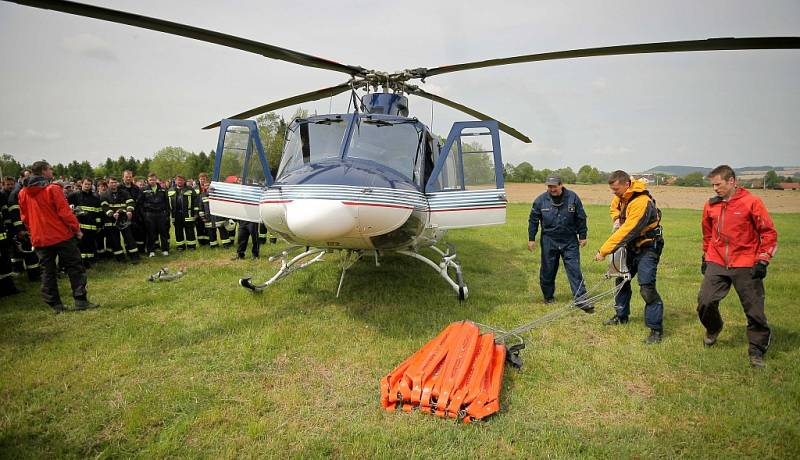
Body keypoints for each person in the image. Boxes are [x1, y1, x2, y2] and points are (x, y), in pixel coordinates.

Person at [697, 165, 778, 368]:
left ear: (732, 181)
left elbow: (768, 233)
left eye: (718, 184)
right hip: (716, 260)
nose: (715, 188)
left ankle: (756, 350)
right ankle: (714, 328)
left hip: (746, 262)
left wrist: (763, 259)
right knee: (705, 302)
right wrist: (705, 257)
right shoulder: (711, 205)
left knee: (754, 310)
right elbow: (707, 234)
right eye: (713, 185)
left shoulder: (751, 202)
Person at [594, 170, 664, 344]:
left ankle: (655, 330)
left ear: (627, 184)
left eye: (616, 189)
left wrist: (604, 250)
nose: (614, 193)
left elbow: (627, 231)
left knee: (646, 286)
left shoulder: (641, 202)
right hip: (631, 246)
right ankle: (621, 316)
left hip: (648, 245)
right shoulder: (622, 196)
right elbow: (614, 207)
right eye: (612, 190)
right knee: (621, 280)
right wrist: (616, 218)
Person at [18, 161, 98, 313]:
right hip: (60, 236)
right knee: (75, 266)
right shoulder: (52, 189)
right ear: (43, 171)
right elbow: (65, 212)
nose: (52, 171)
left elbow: (24, 217)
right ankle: (80, 300)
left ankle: (55, 305)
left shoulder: (22, 192)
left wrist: (33, 231)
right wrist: (77, 229)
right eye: (49, 169)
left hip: (39, 238)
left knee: (47, 272)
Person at [527, 174, 592, 311]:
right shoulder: (540, 200)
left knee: (574, 269)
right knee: (548, 270)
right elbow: (533, 220)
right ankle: (548, 297)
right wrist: (531, 238)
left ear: (561, 185)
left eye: (554, 186)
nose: (551, 189)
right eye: (549, 186)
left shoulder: (572, 198)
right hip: (549, 240)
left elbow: (581, 217)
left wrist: (583, 235)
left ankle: (581, 299)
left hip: (569, 240)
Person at [100, 176, 140, 262]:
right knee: (115, 241)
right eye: (112, 183)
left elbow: (130, 202)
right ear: (108, 184)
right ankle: (120, 258)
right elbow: (104, 207)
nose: (114, 184)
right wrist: (111, 213)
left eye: (115, 182)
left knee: (129, 238)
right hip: (111, 221)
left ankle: (134, 256)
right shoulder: (104, 195)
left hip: (123, 219)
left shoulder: (124, 192)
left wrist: (129, 211)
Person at [67, 177, 103, 268]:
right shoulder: (74, 195)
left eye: (89, 184)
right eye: (85, 184)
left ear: (91, 185)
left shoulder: (95, 197)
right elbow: (66, 207)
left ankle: (89, 261)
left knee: (90, 244)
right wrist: (73, 211)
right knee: (80, 246)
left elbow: (98, 211)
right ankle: (81, 263)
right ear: (81, 184)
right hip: (80, 226)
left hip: (91, 227)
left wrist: (98, 224)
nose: (87, 186)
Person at [137, 172, 171, 257]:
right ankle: (151, 251)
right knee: (150, 233)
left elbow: (167, 203)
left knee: (163, 232)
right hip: (149, 215)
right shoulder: (143, 190)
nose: (152, 181)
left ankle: (165, 249)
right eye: (150, 180)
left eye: (154, 179)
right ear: (147, 180)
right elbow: (140, 204)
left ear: (157, 179)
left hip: (161, 214)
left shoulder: (163, 190)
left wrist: (167, 214)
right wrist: (144, 215)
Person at [196, 173, 232, 248]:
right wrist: (203, 217)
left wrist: (224, 215)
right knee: (211, 232)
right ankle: (214, 245)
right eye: (205, 186)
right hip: (208, 217)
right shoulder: (202, 195)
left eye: (208, 185)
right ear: (204, 187)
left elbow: (223, 205)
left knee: (223, 231)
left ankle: (226, 244)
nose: (207, 187)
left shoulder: (217, 194)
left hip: (218, 217)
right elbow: (201, 207)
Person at [168, 175, 199, 250]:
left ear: (184, 181)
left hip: (188, 214)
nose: (180, 181)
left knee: (190, 230)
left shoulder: (190, 189)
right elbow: (167, 203)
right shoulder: (170, 190)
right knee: (178, 230)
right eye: (178, 180)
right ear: (175, 181)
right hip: (176, 214)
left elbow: (196, 201)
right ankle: (180, 246)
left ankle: (191, 246)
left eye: (181, 180)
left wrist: (196, 212)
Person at [121, 170, 145, 254]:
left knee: (138, 232)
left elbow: (140, 200)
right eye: (126, 177)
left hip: (136, 214)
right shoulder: (119, 188)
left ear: (132, 178)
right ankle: (129, 251)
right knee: (127, 234)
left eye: (130, 177)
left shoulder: (136, 188)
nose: (128, 178)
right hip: (124, 215)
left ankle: (141, 250)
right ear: (123, 177)